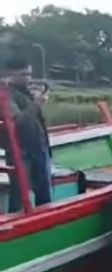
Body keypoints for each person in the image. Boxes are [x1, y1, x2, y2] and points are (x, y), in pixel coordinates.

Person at [2, 55, 52, 212]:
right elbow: (18, 122)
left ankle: (45, 219)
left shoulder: (25, 92)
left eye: (30, 74)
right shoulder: (5, 95)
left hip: (39, 148)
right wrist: (36, 104)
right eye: (24, 74)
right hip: (21, 151)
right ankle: (16, 222)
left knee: (44, 192)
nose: (28, 78)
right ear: (10, 74)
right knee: (19, 193)